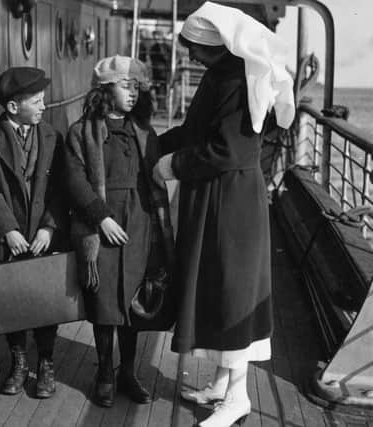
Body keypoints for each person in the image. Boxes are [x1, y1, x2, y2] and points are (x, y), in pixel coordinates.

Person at [152, 3, 294, 426]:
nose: (190, 56)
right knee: (218, 286)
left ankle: (238, 398)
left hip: (231, 202)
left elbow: (230, 150)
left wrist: (172, 165)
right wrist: (151, 145)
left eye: (194, 48)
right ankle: (220, 383)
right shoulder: (224, 75)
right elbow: (198, 133)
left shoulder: (237, 80)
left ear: (216, 44)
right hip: (219, 196)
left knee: (233, 292)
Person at [63, 55, 174, 408]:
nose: (132, 93)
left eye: (136, 87)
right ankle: (105, 373)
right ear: (104, 88)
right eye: (125, 86)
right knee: (105, 302)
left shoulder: (144, 131)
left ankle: (128, 371)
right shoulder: (81, 132)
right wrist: (101, 218)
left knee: (132, 301)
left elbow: (156, 176)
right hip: (104, 226)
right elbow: (74, 180)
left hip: (140, 224)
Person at [0, 67, 66, 398]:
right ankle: (19, 361)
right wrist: (7, 230)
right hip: (10, 236)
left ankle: (46, 364)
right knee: (13, 297)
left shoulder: (52, 137)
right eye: (36, 101)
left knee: (46, 298)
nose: (43, 107)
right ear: (13, 107)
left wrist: (50, 227)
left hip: (42, 235)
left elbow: (59, 190)